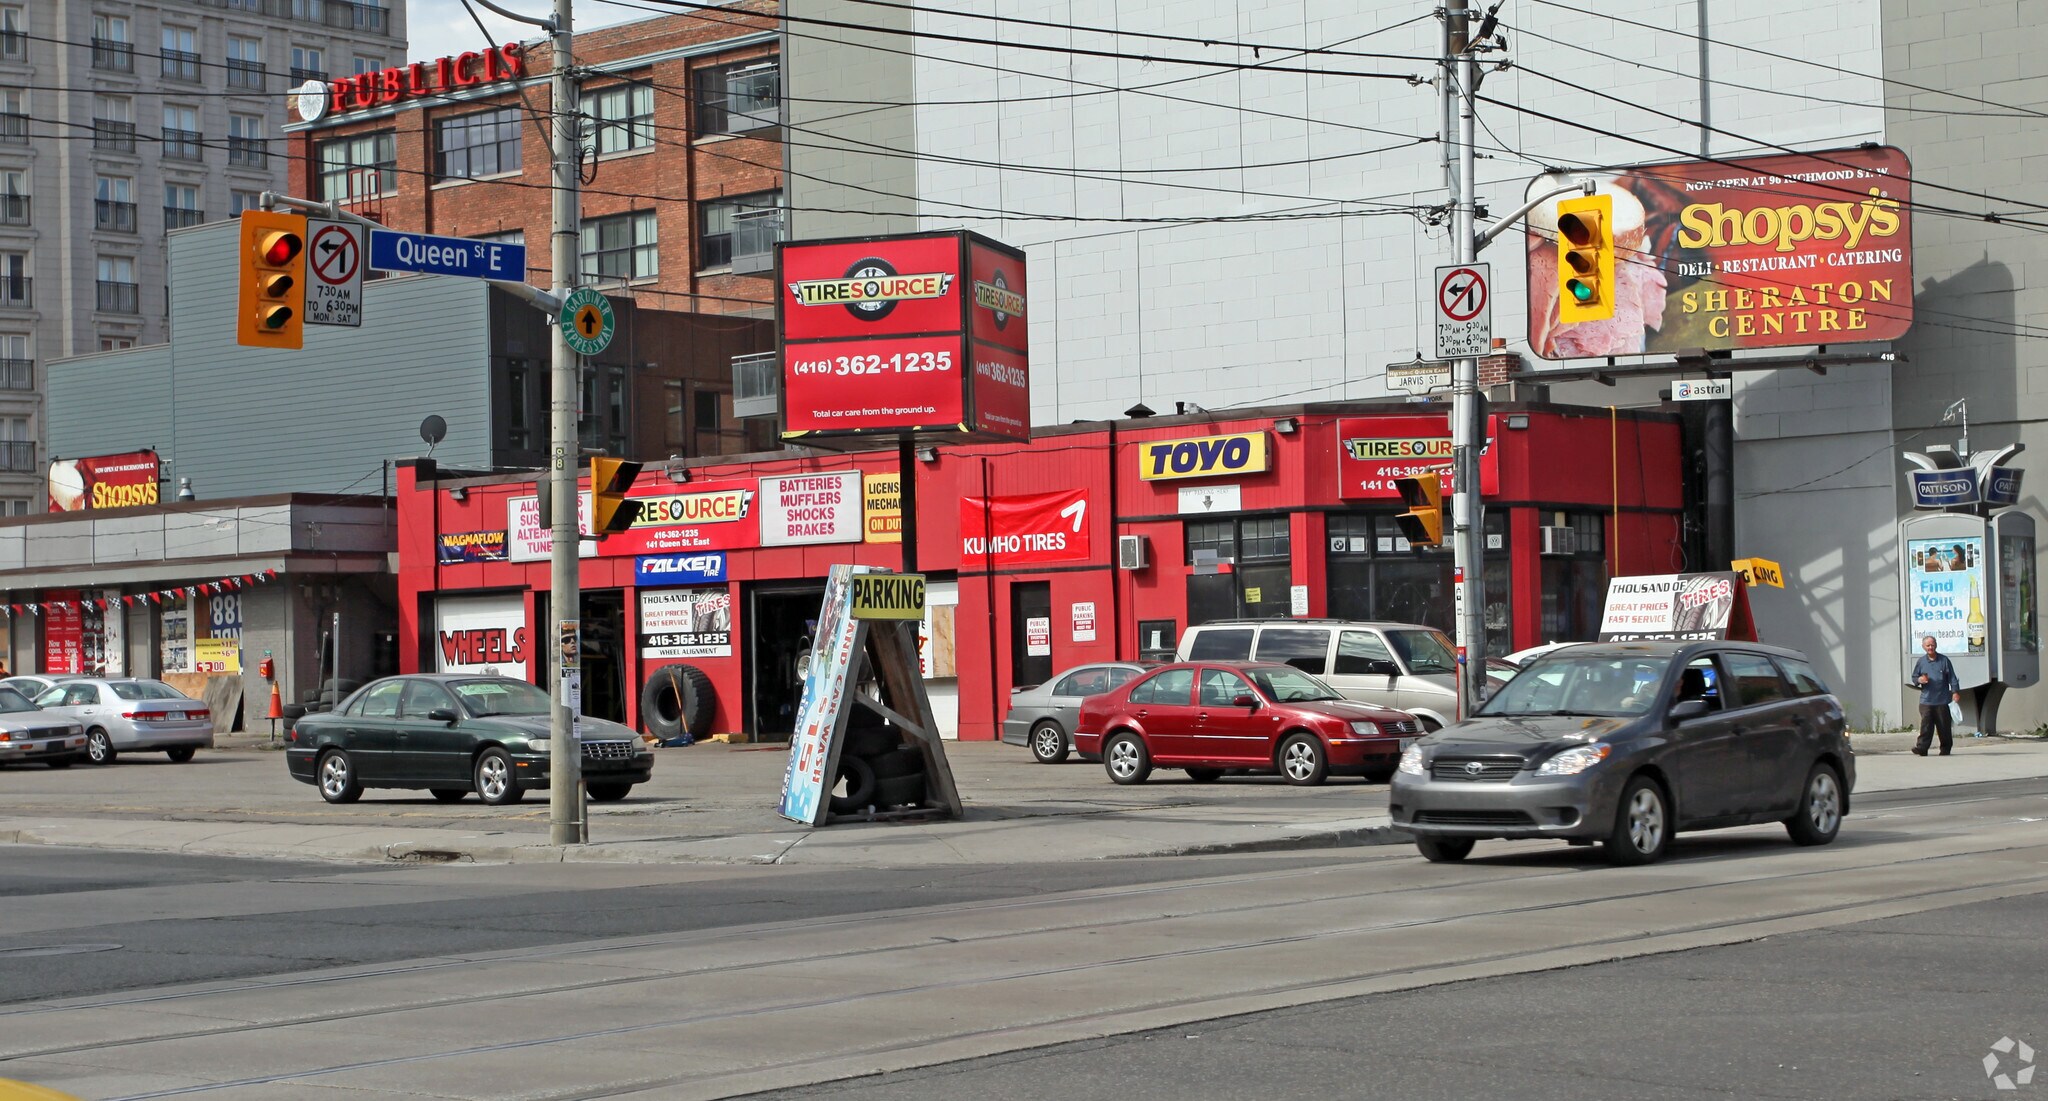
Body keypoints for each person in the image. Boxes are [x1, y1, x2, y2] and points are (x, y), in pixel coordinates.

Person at [1909, 635, 1963, 756]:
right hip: (1926, 700)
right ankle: (1922, 748)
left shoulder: (1944, 660)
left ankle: (1945, 749)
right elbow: (1914, 677)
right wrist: (1919, 680)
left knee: (1944, 726)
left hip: (1942, 700)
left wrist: (1955, 692)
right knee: (1926, 726)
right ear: (1923, 647)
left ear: (1936, 645)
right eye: (1928, 645)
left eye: (1932, 645)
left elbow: (1952, 678)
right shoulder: (1921, 661)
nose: (1930, 647)